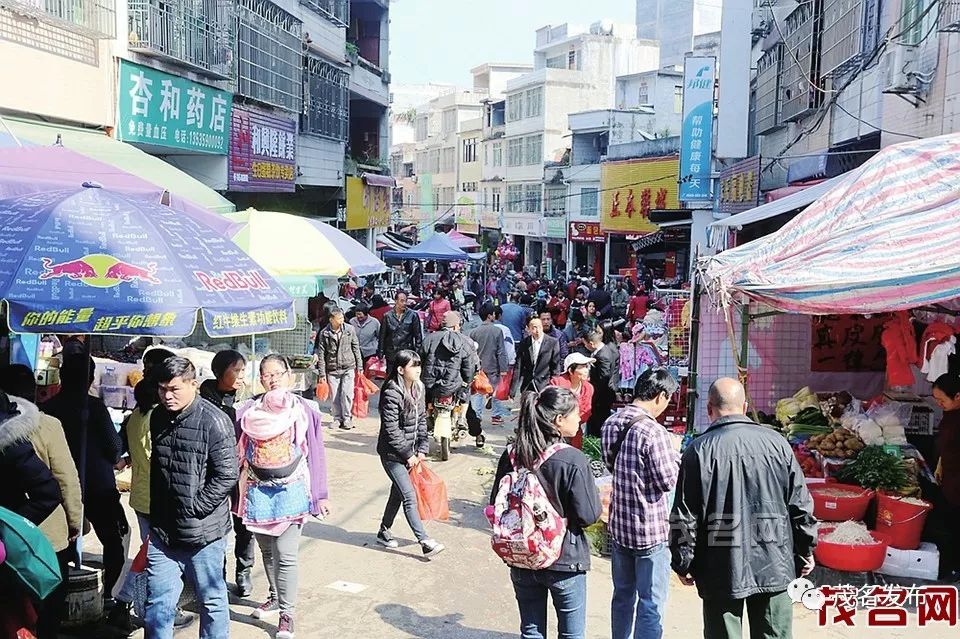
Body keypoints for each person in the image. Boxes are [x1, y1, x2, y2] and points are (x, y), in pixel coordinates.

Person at [670, 378, 817, 639]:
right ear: (745, 406)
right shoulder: (777, 444)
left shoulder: (698, 451)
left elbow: (685, 515)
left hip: (720, 562)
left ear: (709, 409)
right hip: (775, 558)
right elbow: (800, 505)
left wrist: (683, 561)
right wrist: (805, 550)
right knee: (774, 633)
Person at [489, 386, 602, 639]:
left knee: (531, 631)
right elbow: (588, 515)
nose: (580, 417)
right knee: (571, 635)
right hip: (564, 559)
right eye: (576, 413)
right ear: (559, 420)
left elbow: (496, 503)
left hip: (522, 554)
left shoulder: (512, 455)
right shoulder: (572, 459)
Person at [236, 355, 330, 639]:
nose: (273, 378)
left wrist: (321, 495)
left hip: (292, 490)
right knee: (266, 550)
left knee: (286, 555)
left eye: (278, 373)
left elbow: (316, 452)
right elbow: (238, 453)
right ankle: (276, 596)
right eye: (267, 375)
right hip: (257, 491)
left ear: (289, 376)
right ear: (260, 379)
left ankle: (287, 615)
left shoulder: (305, 411)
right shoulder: (247, 411)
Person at [146, 357, 238, 639]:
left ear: (193, 385)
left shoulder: (215, 421)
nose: (167, 395)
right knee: (157, 604)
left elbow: (227, 475)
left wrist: (195, 507)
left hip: (204, 534)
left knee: (211, 601)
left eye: (174, 388)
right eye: (162, 389)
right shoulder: (158, 416)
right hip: (163, 531)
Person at [42, 355, 126, 610]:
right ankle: (112, 595)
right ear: (90, 378)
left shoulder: (48, 408)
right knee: (113, 540)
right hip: (97, 484)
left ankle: (58, 598)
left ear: (62, 377)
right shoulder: (94, 408)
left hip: (57, 486)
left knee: (60, 544)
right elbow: (114, 447)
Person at [0, 371, 81, 639]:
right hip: (46, 534)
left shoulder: (9, 432)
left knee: (17, 609)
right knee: (47, 607)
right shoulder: (47, 425)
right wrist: (74, 521)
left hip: (10, 538)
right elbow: (66, 479)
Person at [601, 368, 680, 639]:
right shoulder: (654, 432)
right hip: (650, 531)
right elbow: (667, 480)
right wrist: (675, 452)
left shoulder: (611, 422)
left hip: (620, 526)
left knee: (622, 595)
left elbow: (611, 465)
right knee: (651, 601)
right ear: (660, 396)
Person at [375, 350, 445, 558]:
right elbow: (391, 429)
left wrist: (422, 448)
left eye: (419, 365)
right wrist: (407, 454)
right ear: (400, 369)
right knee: (408, 495)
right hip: (392, 454)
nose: (418, 370)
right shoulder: (391, 391)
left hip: (411, 452)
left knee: (397, 493)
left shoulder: (419, 388)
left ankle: (383, 531)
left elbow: (422, 419)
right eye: (413, 366)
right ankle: (424, 540)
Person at [199, 350, 257, 598]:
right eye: (237, 370)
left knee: (244, 525)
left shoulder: (248, 397)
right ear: (220, 372)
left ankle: (244, 571)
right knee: (218, 527)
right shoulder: (204, 399)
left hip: (243, 469)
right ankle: (217, 575)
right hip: (213, 472)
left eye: (243, 370)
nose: (242, 375)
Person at [931, 373, 960, 581]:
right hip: (950, 477)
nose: (939, 404)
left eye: (942, 400)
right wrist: (940, 464)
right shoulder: (951, 413)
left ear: (958, 396)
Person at [316, 307, 363, 431]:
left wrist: (360, 366)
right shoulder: (324, 333)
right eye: (339, 318)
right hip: (332, 368)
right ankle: (337, 418)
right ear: (332, 319)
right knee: (335, 395)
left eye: (342, 317)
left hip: (348, 367)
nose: (342, 320)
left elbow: (356, 348)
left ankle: (347, 418)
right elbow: (321, 354)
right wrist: (322, 373)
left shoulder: (349, 329)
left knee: (347, 394)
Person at [469, 303, 509, 444]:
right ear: (490, 315)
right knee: (496, 392)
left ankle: (477, 420)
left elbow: (471, 352)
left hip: (479, 369)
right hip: (493, 367)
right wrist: (503, 369)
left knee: (478, 395)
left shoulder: (474, 332)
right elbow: (500, 351)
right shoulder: (497, 331)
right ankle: (496, 415)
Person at [549, 354, 595, 450]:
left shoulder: (588, 388)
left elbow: (586, 411)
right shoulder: (557, 383)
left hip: (575, 430)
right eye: (582, 367)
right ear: (570, 371)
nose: (586, 370)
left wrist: (573, 421)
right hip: (555, 430)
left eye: (586, 367)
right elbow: (552, 408)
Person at [583, 326, 620, 437]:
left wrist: (593, 394)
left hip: (601, 397)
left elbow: (604, 378)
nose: (585, 346)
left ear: (591, 344)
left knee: (598, 422)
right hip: (599, 395)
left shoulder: (603, 355)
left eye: (585, 344)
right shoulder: (602, 351)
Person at [512, 317, 563, 396]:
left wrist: (555, 386)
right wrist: (513, 390)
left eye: (539, 327)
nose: (537, 330)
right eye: (534, 327)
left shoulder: (552, 342)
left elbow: (555, 367)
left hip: (545, 384)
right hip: (528, 384)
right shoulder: (524, 343)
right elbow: (519, 366)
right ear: (528, 329)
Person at [378, 291, 424, 369]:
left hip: (407, 351)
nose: (404, 303)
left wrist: (418, 353)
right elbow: (382, 335)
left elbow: (418, 336)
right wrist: (381, 352)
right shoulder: (387, 316)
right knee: (391, 377)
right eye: (402, 301)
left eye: (405, 301)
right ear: (396, 301)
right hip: (391, 352)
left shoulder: (413, 315)